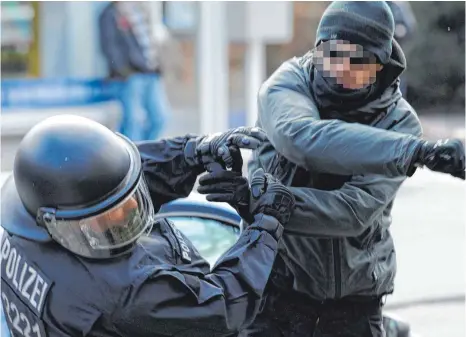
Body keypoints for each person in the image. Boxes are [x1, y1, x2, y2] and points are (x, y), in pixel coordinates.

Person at [197, 2, 465, 336]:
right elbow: (301, 138)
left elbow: (352, 212)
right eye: (332, 53)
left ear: (380, 65)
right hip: (276, 289)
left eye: (358, 61)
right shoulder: (287, 84)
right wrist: (417, 154)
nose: (341, 68)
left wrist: (265, 204)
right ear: (318, 47)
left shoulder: (399, 122)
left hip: (354, 300)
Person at [0, 115, 297, 337]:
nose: (131, 213)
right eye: (111, 219)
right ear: (63, 227)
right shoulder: (124, 291)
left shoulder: (27, 219)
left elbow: (108, 179)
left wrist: (193, 152)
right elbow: (224, 306)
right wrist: (265, 226)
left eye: (130, 201)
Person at [99, 1, 170, 141]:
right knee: (133, 121)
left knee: (160, 118)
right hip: (132, 77)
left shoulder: (139, 11)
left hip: (151, 73)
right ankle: (132, 156)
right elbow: (109, 47)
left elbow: (149, 42)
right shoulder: (110, 14)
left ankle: (145, 153)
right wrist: (125, 71)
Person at [386, 1, 417, 97]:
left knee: (398, 80)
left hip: (394, 52)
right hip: (373, 52)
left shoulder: (398, 5)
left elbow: (409, 26)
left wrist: (400, 30)